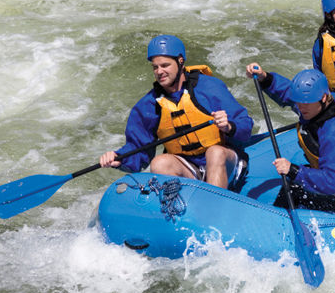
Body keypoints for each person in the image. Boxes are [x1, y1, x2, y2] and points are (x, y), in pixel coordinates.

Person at [99, 34, 254, 189]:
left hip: (226, 163)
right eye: (155, 67)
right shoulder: (148, 105)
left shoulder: (209, 87)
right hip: (190, 168)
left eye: (165, 65)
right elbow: (139, 149)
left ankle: (215, 207)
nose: (159, 72)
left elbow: (245, 125)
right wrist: (119, 158)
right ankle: (180, 208)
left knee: (215, 152)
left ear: (180, 62)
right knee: (160, 163)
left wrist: (228, 127)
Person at [246, 64, 335, 212]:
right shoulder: (313, 105)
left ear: (324, 98)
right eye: (299, 102)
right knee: (296, 179)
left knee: (294, 189)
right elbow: (288, 93)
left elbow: (332, 181)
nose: (300, 107)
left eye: (305, 103)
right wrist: (265, 77)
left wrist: (293, 171)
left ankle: (274, 226)